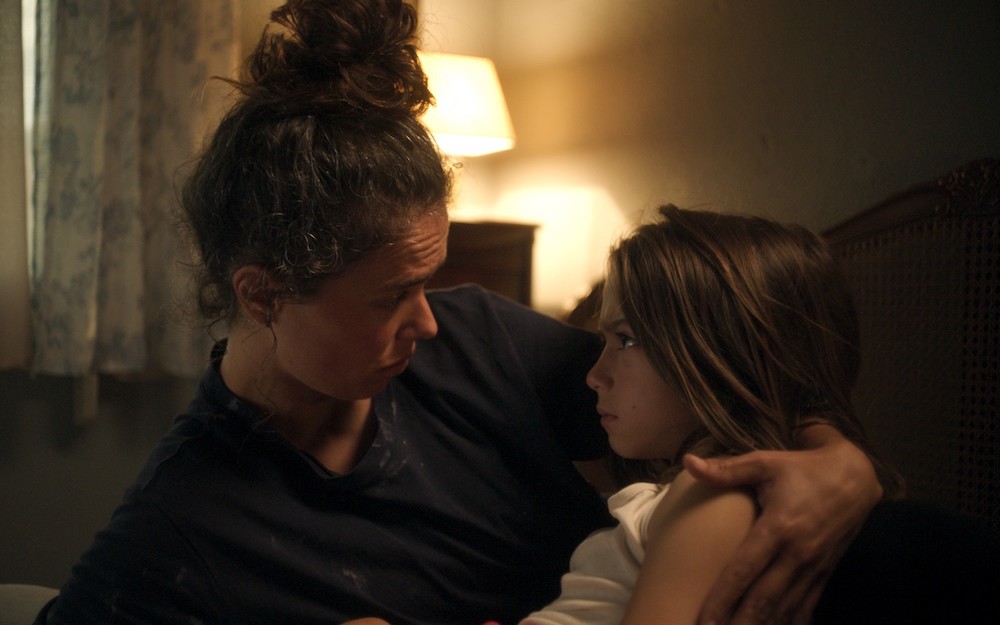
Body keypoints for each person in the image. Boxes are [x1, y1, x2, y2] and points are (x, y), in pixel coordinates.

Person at [38, 2, 881, 625]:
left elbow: (720, 388)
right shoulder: (180, 528)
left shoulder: (484, 342)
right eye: (390, 296)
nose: (429, 322)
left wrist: (836, 460)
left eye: (428, 282)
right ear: (262, 294)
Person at [517, 205, 902, 625]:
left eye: (626, 340)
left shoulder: (711, 492)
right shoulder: (671, 486)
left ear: (727, 355)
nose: (594, 376)